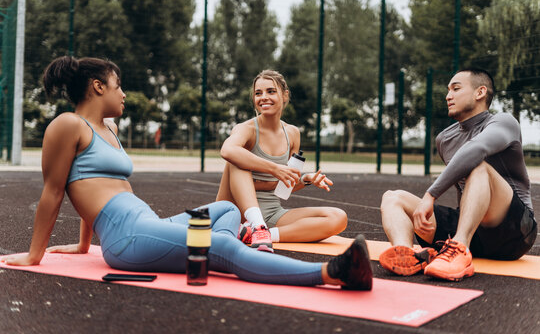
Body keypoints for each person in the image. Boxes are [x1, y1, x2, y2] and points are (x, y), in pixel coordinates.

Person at [0, 56, 373, 291]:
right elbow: (55, 190)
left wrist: (84, 245)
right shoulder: (67, 124)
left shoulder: (108, 130)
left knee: (227, 213)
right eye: (119, 86)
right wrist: (35, 255)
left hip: (144, 220)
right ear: (98, 87)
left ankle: (224, 256)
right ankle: (331, 273)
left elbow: (93, 183)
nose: (124, 94)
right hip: (126, 237)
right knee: (222, 244)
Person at [379, 68, 537, 281]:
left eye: (456, 88)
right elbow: (464, 190)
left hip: (514, 232)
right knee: (392, 197)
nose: (448, 96)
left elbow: (476, 150)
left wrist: (431, 195)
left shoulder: (503, 122)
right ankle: (406, 255)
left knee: (478, 166)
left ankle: (460, 247)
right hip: (475, 233)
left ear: (480, 92)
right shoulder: (445, 139)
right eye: (448, 90)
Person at [216, 69, 347, 253]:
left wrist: (306, 179)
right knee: (237, 157)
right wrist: (275, 169)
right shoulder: (246, 129)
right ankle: (256, 224)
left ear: (285, 95)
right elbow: (227, 150)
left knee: (338, 217)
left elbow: (283, 188)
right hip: (235, 214)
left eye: (271, 91)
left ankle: (263, 234)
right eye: (258, 93)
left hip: (272, 213)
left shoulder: (292, 133)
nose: (263, 97)